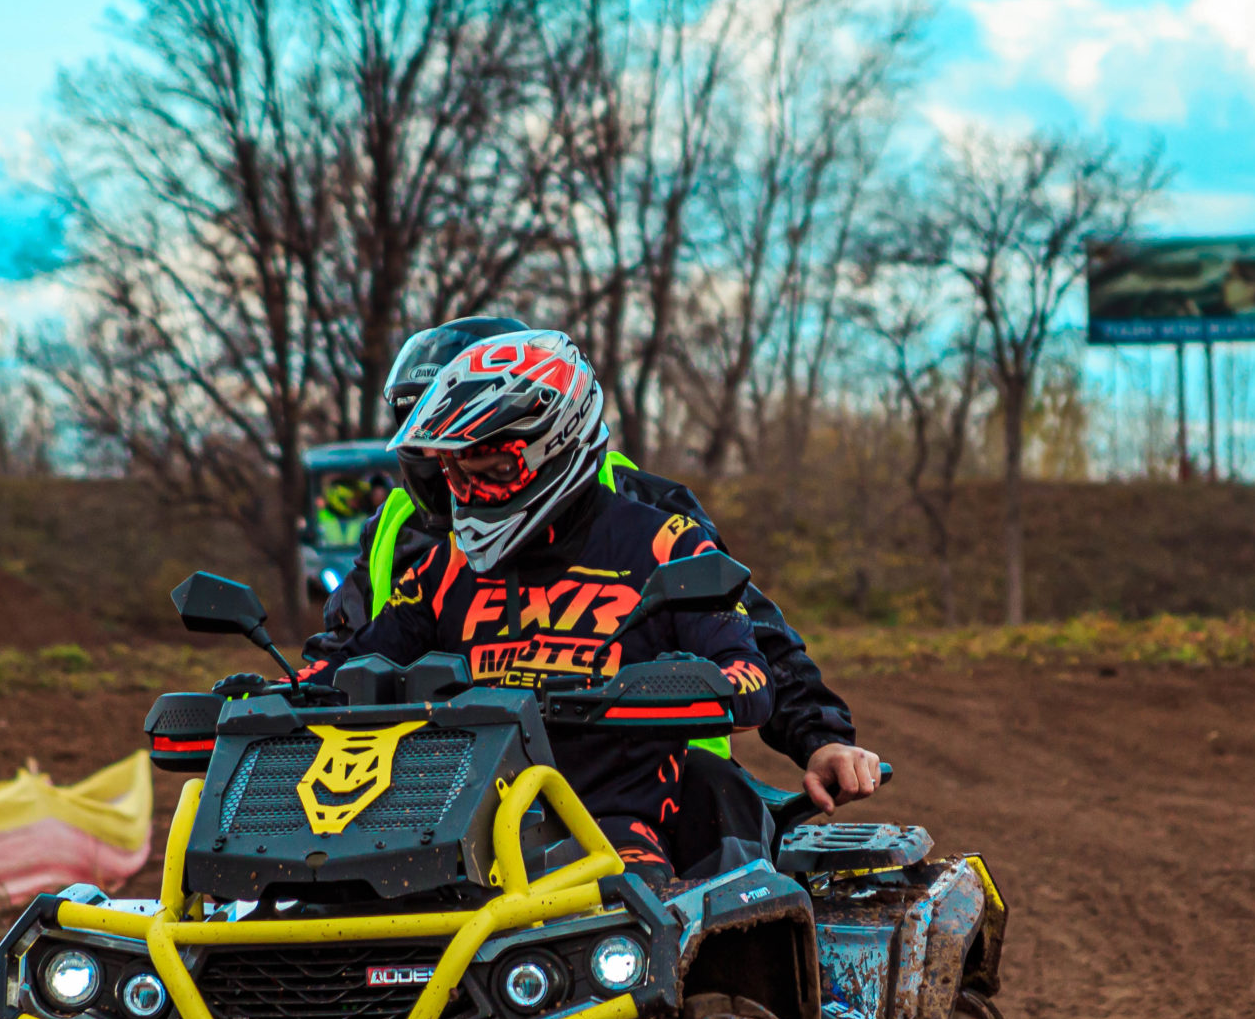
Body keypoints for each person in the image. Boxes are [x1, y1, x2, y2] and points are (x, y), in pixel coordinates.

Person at [304, 317, 882, 817]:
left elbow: (747, 631)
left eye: (487, 457)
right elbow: (347, 654)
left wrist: (820, 738)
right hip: (444, 788)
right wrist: (279, 697)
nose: (457, 475)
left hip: (649, 784)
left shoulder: (641, 510)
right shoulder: (400, 533)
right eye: (439, 455)